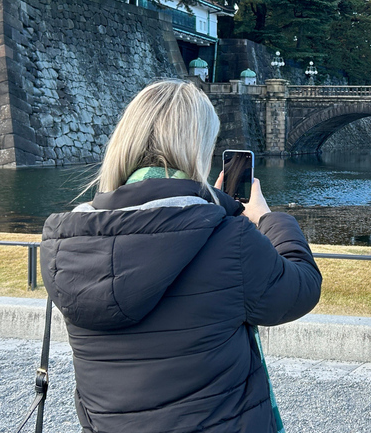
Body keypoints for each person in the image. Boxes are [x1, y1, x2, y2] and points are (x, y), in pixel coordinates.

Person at [40, 79, 322, 432]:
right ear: (197, 147)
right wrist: (268, 218)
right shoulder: (228, 240)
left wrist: (212, 206)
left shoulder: (68, 240)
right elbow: (301, 288)